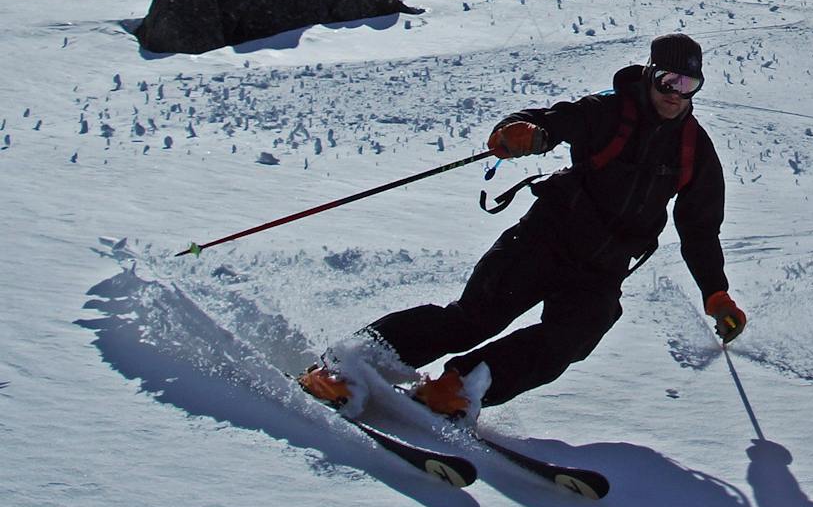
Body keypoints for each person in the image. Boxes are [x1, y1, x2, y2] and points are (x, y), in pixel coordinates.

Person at [299, 32, 746, 419]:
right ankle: (347, 364)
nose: (676, 94)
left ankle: (458, 388)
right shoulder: (609, 112)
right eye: (669, 81)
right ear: (651, 76)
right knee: (473, 319)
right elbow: (552, 119)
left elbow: (700, 228)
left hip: (602, 269)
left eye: (689, 85)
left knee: (569, 340)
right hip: (545, 240)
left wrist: (716, 292)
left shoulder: (695, 150)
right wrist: (523, 131)